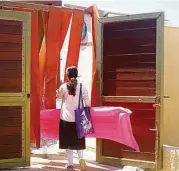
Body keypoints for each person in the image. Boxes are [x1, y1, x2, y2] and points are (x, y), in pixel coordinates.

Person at [56, 66, 91, 171]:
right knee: (78, 141)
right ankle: (81, 159)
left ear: (67, 76)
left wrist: (57, 93)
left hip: (66, 118)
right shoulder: (82, 86)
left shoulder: (63, 87)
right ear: (77, 75)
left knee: (68, 142)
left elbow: (59, 97)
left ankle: (70, 164)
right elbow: (88, 103)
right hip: (79, 119)